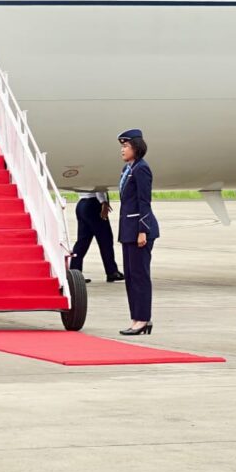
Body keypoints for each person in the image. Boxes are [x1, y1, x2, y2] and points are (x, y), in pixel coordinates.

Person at [116, 130, 158, 335]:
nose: (122, 150)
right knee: (131, 277)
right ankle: (136, 317)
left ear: (136, 147)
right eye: (122, 146)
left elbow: (144, 201)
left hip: (139, 231)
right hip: (128, 230)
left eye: (126, 146)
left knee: (140, 276)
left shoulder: (141, 169)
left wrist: (143, 230)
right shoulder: (128, 168)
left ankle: (143, 318)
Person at [71, 193, 124, 283]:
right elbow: (97, 186)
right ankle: (111, 271)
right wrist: (103, 201)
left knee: (82, 242)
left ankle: (74, 273)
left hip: (81, 204)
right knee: (105, 239)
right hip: (94, 204)